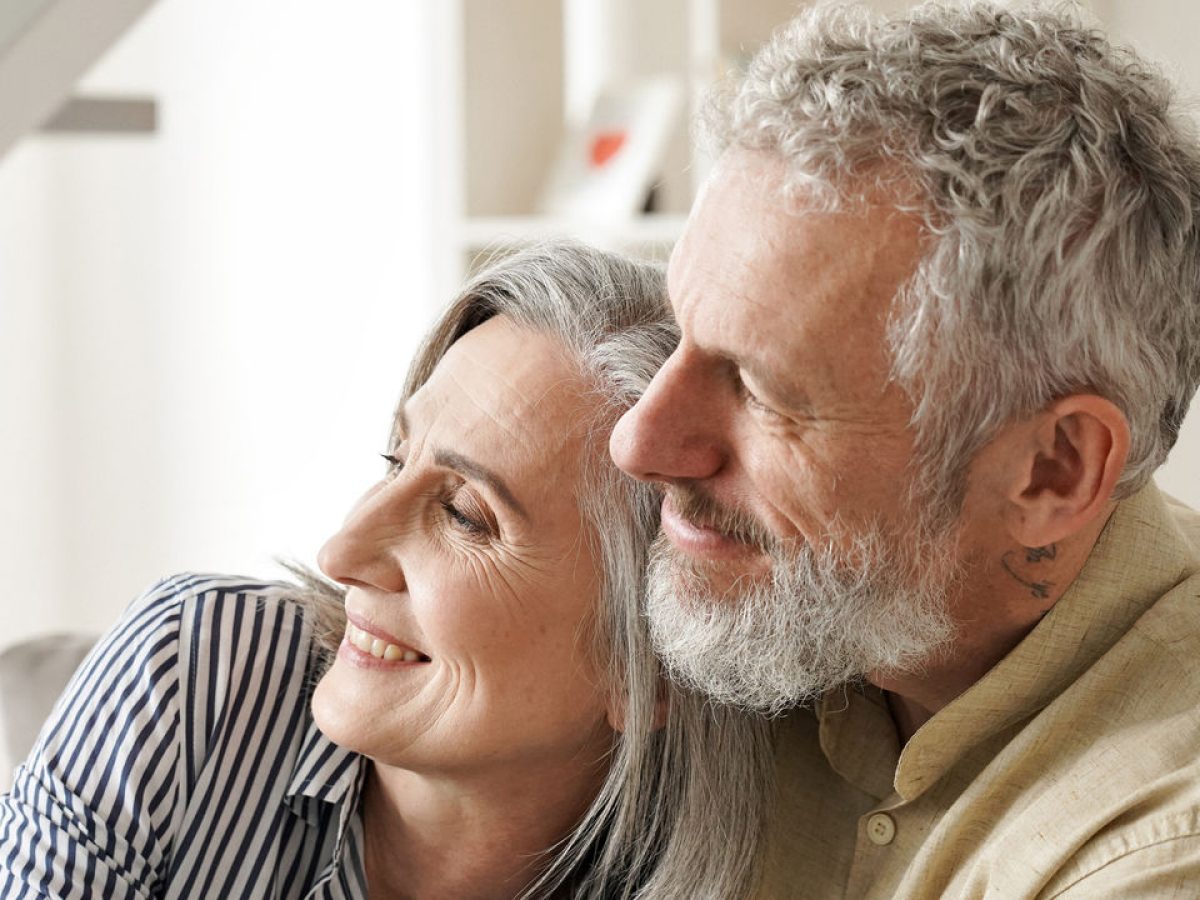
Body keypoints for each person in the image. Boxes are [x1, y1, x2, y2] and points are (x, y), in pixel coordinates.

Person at [608, 2, 1200, 897]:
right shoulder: (779, 607)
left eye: (763, 391)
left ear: (1054, 471)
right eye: (679, 338)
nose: (637, 441)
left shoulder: (1158, 849)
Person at [0, 242, 773, 899]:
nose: (342, 555)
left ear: (659, 669)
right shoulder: (196, 663)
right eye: (392, 460)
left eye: (465, 515)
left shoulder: (755, 862)